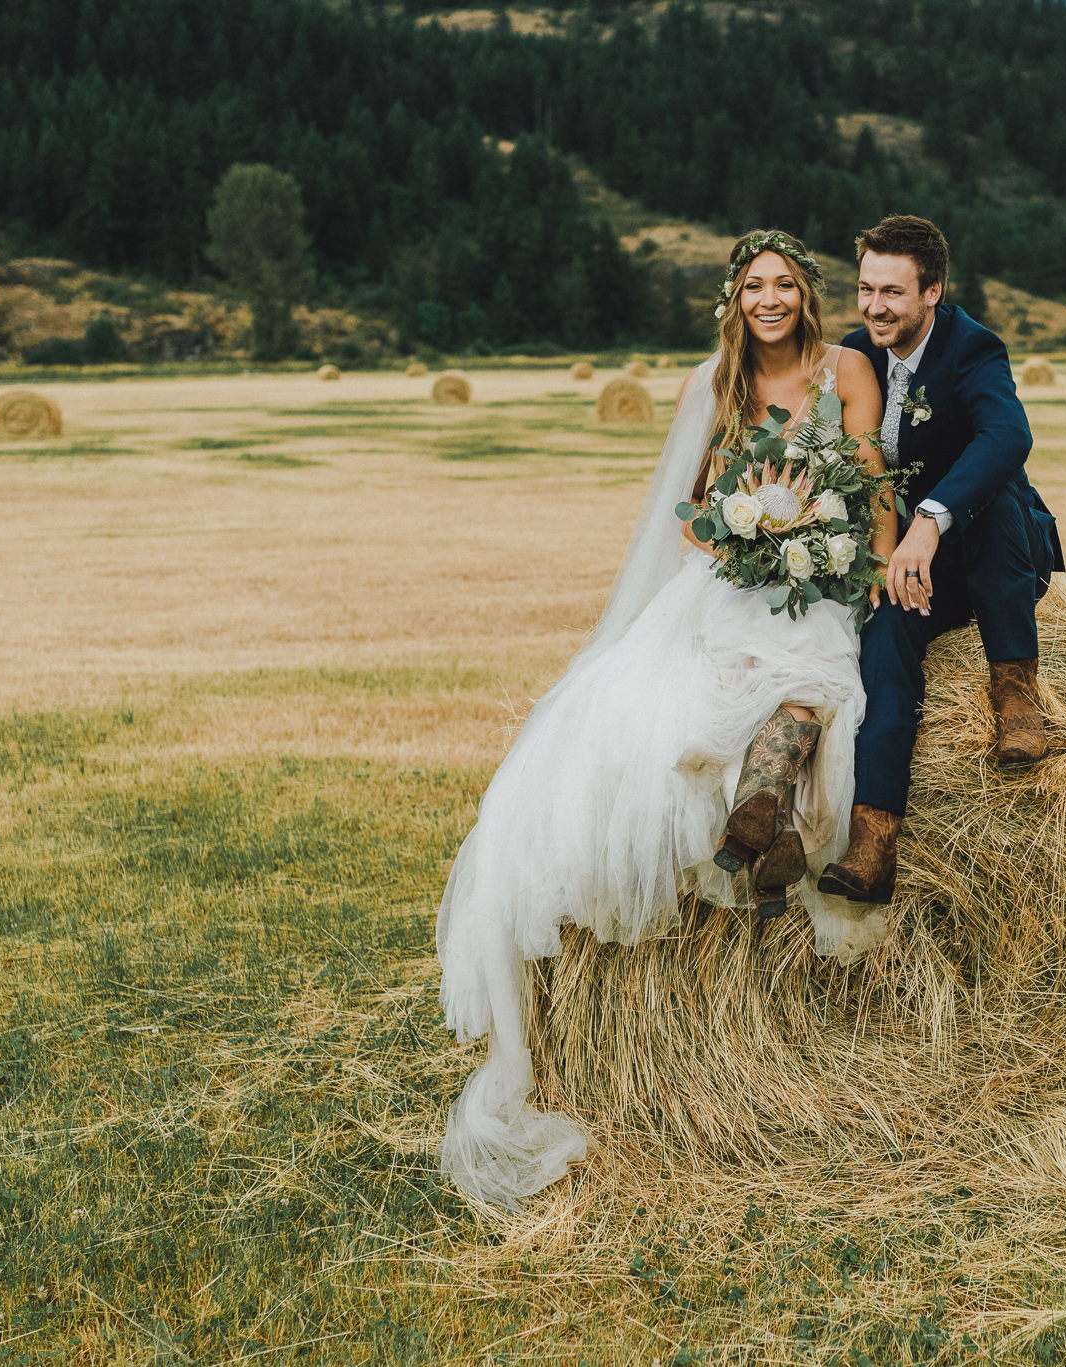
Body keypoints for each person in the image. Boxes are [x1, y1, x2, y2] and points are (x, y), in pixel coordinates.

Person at [434, 230, 893, 1207]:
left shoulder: (845, 367)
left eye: (783, 285)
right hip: (729, 578)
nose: (768, 299)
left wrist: (856, 552)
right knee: (736, 672)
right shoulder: (708, 384)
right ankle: (761, 794)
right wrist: (739, 532)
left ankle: (762, 794)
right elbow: (681, 512)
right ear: (733, 300)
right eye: (752, 287)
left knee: (817, 653)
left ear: (804, 295)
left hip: (819, 571)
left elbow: (867, 475)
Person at [819, 216, 1065, 905]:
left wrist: (930, 517)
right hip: (907, 561)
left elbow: (1009, 434)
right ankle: (873, 838)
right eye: (866, 289)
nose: (874, 307)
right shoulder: (853, 357)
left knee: (998, 490)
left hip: (993, 550)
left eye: (892, 292)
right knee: (886, 635)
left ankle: (1015, 688)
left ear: (933, 290)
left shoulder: (973, 348)